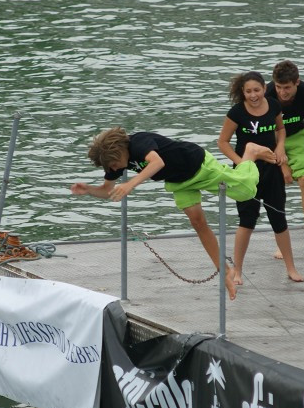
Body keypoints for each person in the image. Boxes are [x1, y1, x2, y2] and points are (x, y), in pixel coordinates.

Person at [70, 127, 275, 300]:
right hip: (179, 182)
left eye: (114, 164)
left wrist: (131, 184)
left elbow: (157, 162)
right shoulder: (115, 162)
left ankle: (250, 153)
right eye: (111, 167)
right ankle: (224, 270)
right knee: (198, 222)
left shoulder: (139, 142)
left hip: (199, 165)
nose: (114, 168)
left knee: (247, 191)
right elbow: (108, 191)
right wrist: (88, 189)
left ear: (119, 151)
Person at [218, 71, 304, 285]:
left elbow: (281, 129)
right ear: (242, 92)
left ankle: (291, 268)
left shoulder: (274, 105)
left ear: (264, 89)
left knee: (279, 218)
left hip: (271, 169)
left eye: (257, 90)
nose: (253, 95)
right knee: (247, 220)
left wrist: (281, 147)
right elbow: (223, 142)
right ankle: (237, 271)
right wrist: (240, 162)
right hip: (246, 173)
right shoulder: (236, 112)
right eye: (248, 91)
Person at [266, 60, 304, 261]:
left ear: (297, 83)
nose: (282, 93)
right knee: (276, 188)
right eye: (279, 87)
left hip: (298, 136)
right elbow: (267, 131)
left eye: (287, 88)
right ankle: (282, 243)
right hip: (272, 139)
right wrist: (282, 163)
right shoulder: (267, 94)